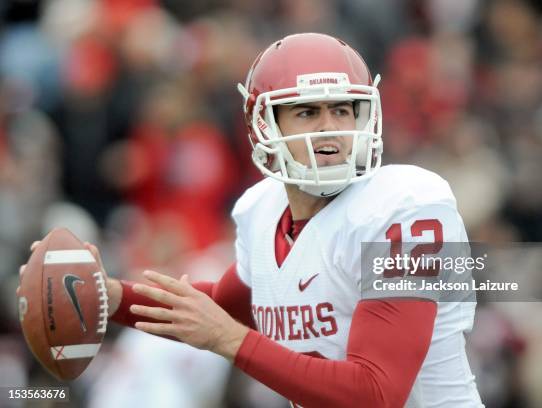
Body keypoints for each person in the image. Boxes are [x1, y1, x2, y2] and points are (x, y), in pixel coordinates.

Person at [21, 33, 483, 407]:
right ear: (265, 125)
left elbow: (376, 393)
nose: (330, 127)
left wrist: (229, 341)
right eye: (307, 111)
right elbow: (218, 310)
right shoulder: (262, 210)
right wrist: (109, 295)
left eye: (343, 109)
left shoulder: (406, 208)